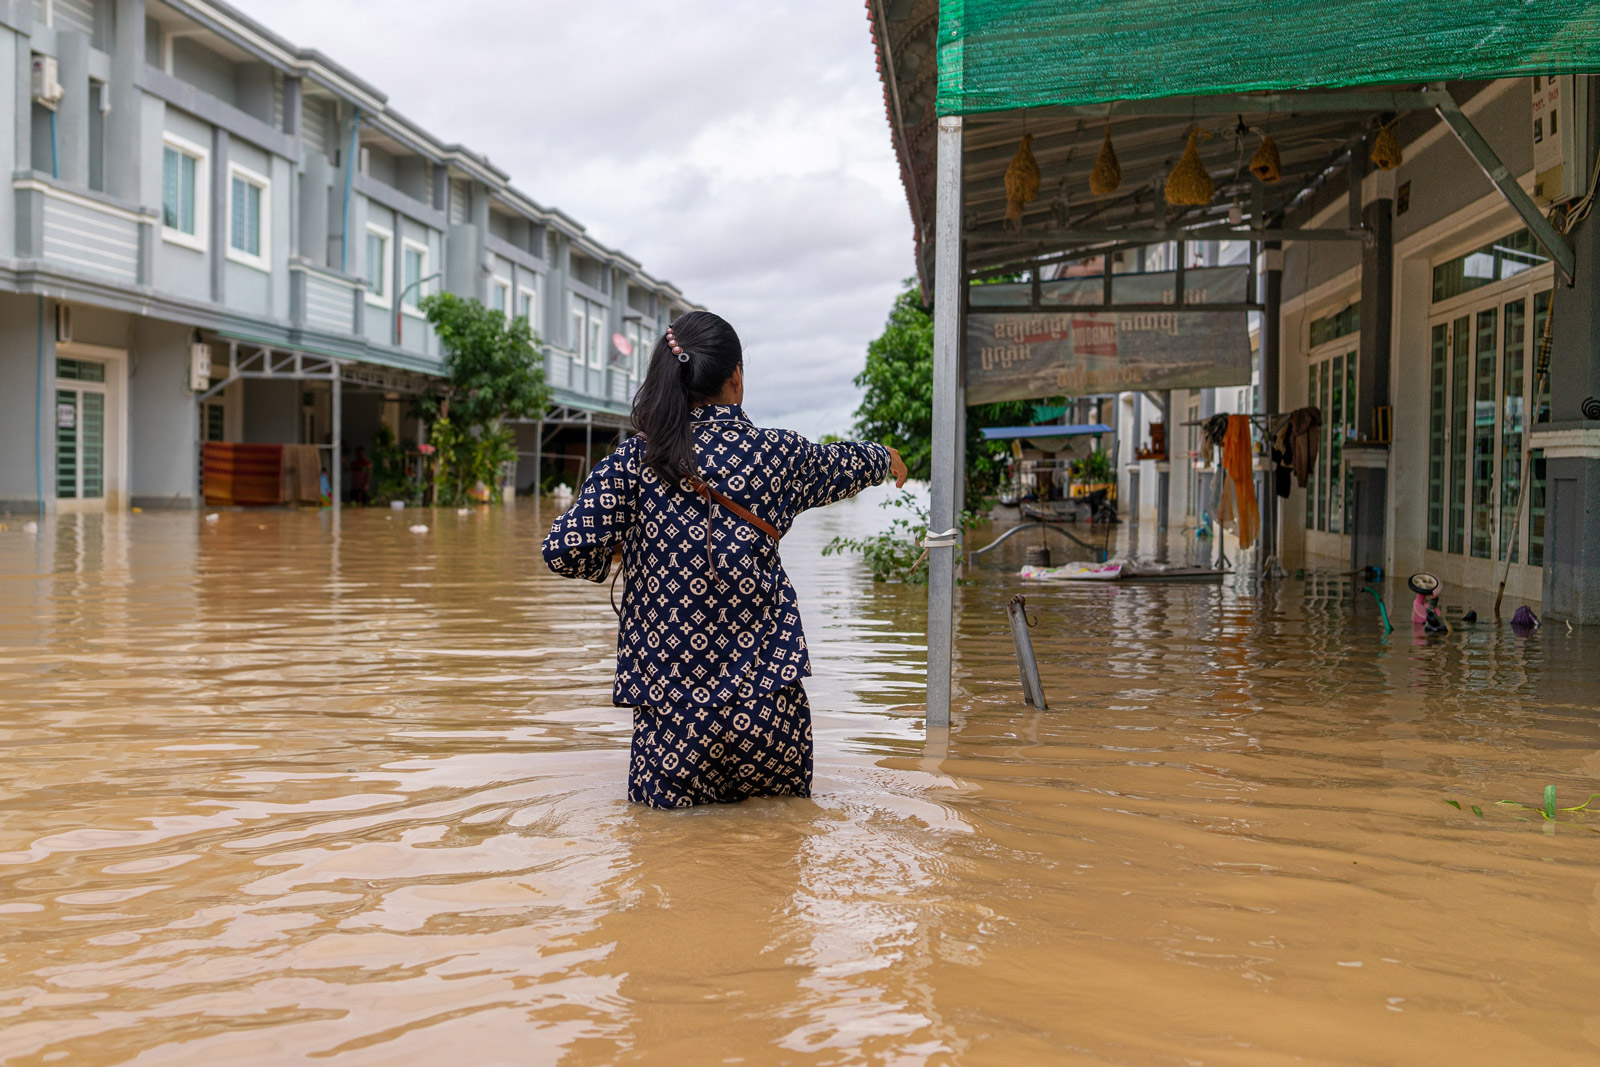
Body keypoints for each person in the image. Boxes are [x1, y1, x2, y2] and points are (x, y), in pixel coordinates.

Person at [542, 311, 908, 809]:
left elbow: (564, 551)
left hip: (673, 717)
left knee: (667, 860)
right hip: (768, 703)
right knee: (778, 848)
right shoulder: (778, 454)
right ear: (735, 377)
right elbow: (842, 463)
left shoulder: (633, 463)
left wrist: (619, 550)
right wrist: (884, 457)